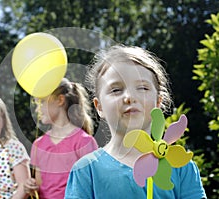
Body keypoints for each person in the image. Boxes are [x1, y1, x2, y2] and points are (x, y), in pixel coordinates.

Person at [64, 44, 207, 198]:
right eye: (116, 90)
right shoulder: (86, 170)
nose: (129, 97)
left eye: (142, 88)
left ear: (158, 102)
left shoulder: (180, 166)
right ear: (99, 107)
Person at [24, 78, 98, 199]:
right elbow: (38, 187)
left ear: (60, 100)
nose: (38, 110)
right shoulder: (38, 144)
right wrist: (30, 187)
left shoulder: (84, 141)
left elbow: (93, 185)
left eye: (42, 102)